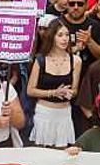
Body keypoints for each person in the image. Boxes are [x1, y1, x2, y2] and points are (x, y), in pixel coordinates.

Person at [27, 20, 82, 148]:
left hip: (64, 114)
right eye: (60, 35)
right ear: (52, 37)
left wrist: (69, 93)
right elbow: (30, 90)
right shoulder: (41, 60)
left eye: (67, 35)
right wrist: (53, 93)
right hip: (44, 112)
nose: (64, 39)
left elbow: (75, 90)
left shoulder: (76, 61)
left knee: (62, 153)